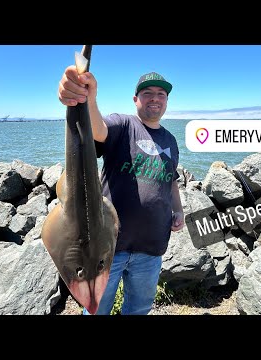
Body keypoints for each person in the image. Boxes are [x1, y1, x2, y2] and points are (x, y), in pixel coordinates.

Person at [58, 67, 185, 315]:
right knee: (97, 310)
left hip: (152, 247)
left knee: (138, 309)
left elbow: (171, 180)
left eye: (161, 94)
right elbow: (97, 129)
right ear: (135, 99)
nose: (155, 98)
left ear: (167, 100)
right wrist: (87, 99)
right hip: (108, 248)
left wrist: (178, 209)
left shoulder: (170, 140)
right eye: (148, 93)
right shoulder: (124, 124)